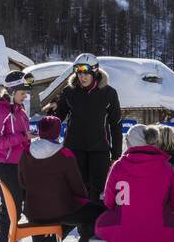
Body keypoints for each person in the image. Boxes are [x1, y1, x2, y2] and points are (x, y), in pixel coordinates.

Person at [97, 125, 174, 242]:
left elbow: (108, 200)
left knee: (109, 222)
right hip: (155, 227)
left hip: (125, 226)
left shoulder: (119, 165)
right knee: (164, 224)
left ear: (130, 142)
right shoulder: (165, 166)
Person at [18, 114, 104, 242]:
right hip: (59, 211)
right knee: (97, 213)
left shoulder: (26, 152)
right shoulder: (64, 154)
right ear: (57, 132)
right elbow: (77, 188)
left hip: (34, 210)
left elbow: (22, 182)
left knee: (70, 212)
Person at [50, 53, 123, 202]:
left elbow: (115, 125)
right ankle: (80, 224)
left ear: (95, 72)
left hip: (99, 150)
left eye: (86, 73)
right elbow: (58, 118)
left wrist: (116, 155)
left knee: (98, 193)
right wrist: (52, 112)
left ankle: (95, 224)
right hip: (74, 149)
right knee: (78, 191)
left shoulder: (109, 93)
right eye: (79, 73)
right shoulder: (69, 92)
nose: (82, 77)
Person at [0, 70, 35, 242]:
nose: (25, 96)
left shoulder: (19, 110)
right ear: (12, 90)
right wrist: (22, 138)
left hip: (19, 164)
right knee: (11, 206)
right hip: (4, 165)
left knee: (21, 204)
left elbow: (21, 135)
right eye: (22, 92)